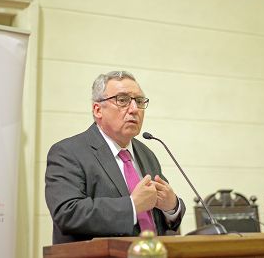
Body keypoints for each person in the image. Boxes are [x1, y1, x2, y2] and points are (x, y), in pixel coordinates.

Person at [45, 70, 186, 244]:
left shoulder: (147, 153)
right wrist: (132, 206)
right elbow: (67, 213)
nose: (134, 109)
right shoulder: (68, 152)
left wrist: (172, 207)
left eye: (139, 101)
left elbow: (165, 220)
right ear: (98, 110)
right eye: (123, 100)